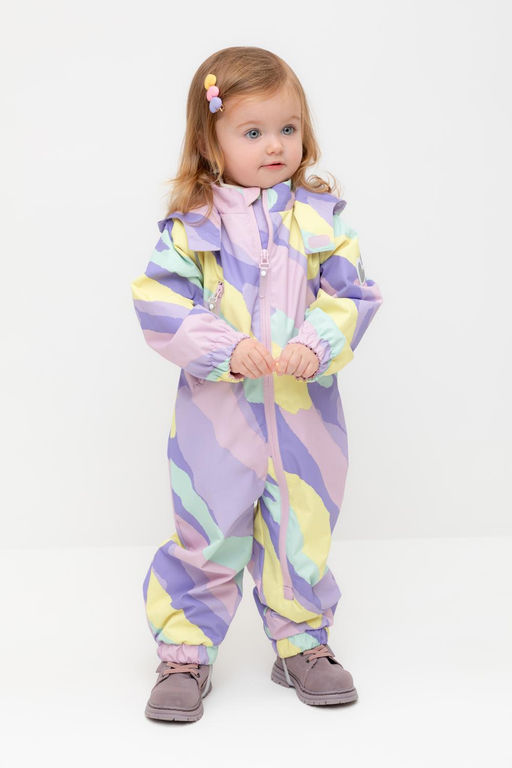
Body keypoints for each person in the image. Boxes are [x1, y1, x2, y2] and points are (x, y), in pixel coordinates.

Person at [130, 45, 383, 723]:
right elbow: (159, 302)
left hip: (306, 420)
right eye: (253, 131)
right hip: (216, 423)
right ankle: (185, 652)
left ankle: (302, 643)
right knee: (206, 533)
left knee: (303, 529)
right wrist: (226, 348)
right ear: (209, 142)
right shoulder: (192, 227)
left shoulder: (322, 219)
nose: (275, 145)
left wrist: (315, 341)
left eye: (287, 128)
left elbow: (354, 295)